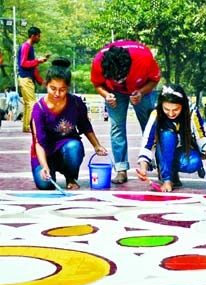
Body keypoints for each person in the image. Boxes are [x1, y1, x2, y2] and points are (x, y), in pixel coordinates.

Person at [30, 58, 108, 190]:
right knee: (45, 185)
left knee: (74, 147)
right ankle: (48, 168)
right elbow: (39, 142)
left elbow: (85, 126)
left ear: (68, 87)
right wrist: (44, 166)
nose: (57, 94)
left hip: (67, 148)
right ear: (46, 84)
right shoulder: (39, 109)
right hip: (45, 152)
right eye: (53, 88)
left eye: (62, 89)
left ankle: (70, 177)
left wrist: (97, 145)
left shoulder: (76, 103)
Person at [90, 40, 160, 185]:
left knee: (150, 126)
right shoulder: (98, 61)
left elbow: (154, 80)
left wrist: (140, 92)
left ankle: (160, 165)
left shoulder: (144, 58)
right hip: (114, 93)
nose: (119, 80)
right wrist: (106, 95)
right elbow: (97, 84)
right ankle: (121, 169)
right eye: (114, 77)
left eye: (121, 76)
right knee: (117, 126)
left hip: (142, 89)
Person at [137, 84, 206, 193]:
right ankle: (166, 177)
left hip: (181, 151)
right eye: (166, 109)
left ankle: (171, 170)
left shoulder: (192, 112)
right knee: (167, 135)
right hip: (162, 151)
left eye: (176, 109)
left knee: (194, 162)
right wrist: (143, 169)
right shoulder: (156, 114)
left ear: (183, 105)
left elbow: (200, 136)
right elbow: (146, 143)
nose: (171, 113)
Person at [18, 27, 49, 133]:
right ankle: (32, 127)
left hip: (27, 78)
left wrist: (40, 81)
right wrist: (37, 61)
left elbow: (33, 67)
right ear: (33, 36)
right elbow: (23, 63)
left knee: (28, 103)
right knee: (32, 103)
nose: (39, 38)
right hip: (25, 78)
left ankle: (27, 127)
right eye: (38, 36)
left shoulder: (30, 47)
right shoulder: (26, 46)